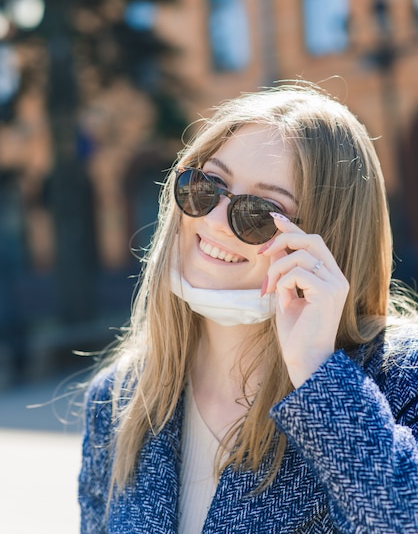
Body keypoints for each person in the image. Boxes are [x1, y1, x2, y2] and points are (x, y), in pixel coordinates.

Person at [79, 82, 418, 533]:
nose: (215, 221)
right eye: (207, 186)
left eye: (261, 211)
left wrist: (319, 376)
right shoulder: (118, 398)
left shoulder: (399, 379)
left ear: (324, 245)